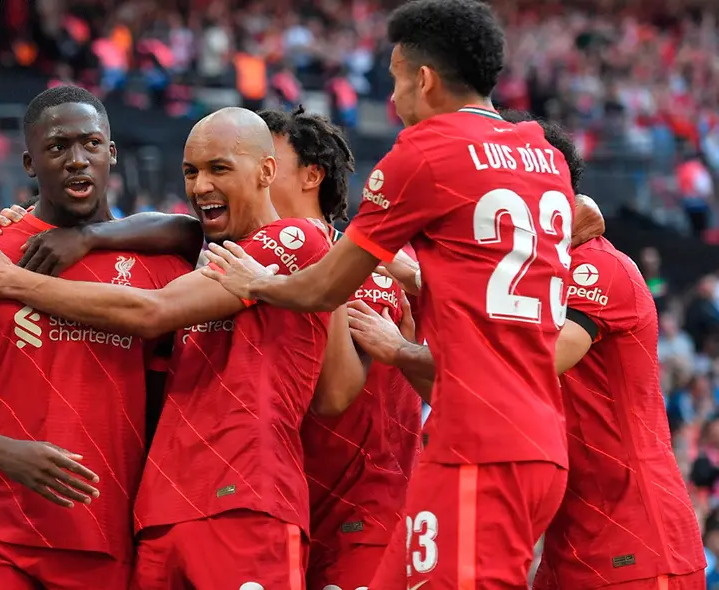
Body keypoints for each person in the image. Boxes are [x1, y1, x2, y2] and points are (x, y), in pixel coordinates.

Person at [202, 1, 575, 586]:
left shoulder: (427, 152)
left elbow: (326, 287)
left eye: (397, 81)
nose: (393, 101)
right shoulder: (544, 153)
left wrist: (258, 283)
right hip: (535, 438)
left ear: (422, 78)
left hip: (478, 444)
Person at [0, 106, 337, 589]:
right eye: (191, 172)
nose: (201, 185)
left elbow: (152, 313)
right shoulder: (195, 262)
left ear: (267, 171)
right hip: (157, 516)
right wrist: (81, 235)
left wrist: (10, 279)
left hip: (247, 498)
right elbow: (182, 230)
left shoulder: (295, 237)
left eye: (218, 169)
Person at [350, 114, 706, 589]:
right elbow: (465, 391)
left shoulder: (597, 269)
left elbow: (527, 368)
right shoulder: (515, 284)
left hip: (637, 541)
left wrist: (400, 349)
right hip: (566, 542)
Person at [0, 85, 194, 589]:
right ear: (30, 163)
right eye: (57, 148)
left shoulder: (163, 267)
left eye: (91, 144)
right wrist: (6, 452)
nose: (77, 160)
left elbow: (196, 231)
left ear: (111, 152)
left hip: (105, 539)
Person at [260, 106, 423, 589]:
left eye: (267, 160)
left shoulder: (374, 267)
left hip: (363, 513)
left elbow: (335, 398)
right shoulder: (244, 258)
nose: (256, 171)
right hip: (280, 504)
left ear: (312, 175)